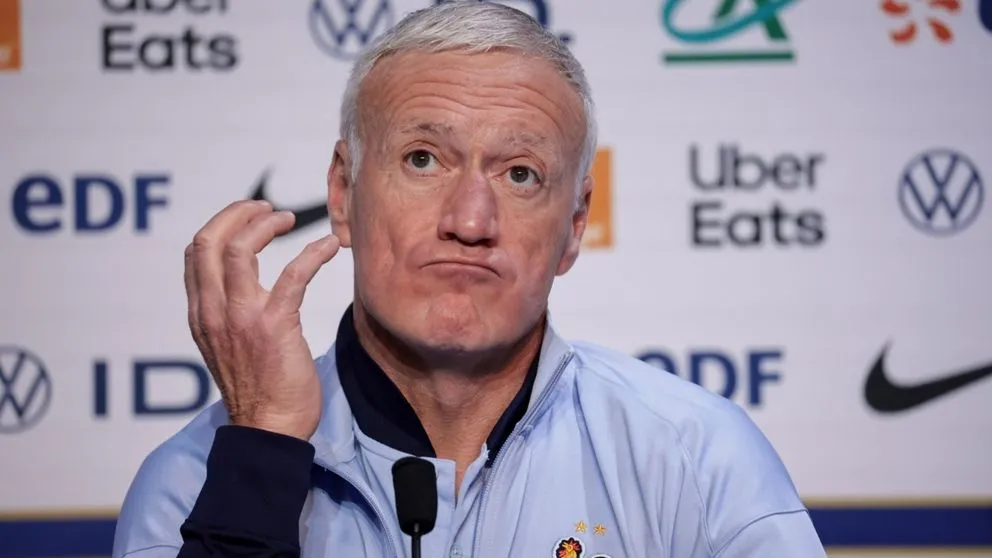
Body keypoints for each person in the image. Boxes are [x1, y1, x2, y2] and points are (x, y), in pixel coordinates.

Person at [112, 2, 827, 557]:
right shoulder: (198, 479)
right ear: (342, 193)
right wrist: (263, 452)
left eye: (520, 174)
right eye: (423, 160)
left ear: (575, 225)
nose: (470, 220)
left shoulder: (698, 458)